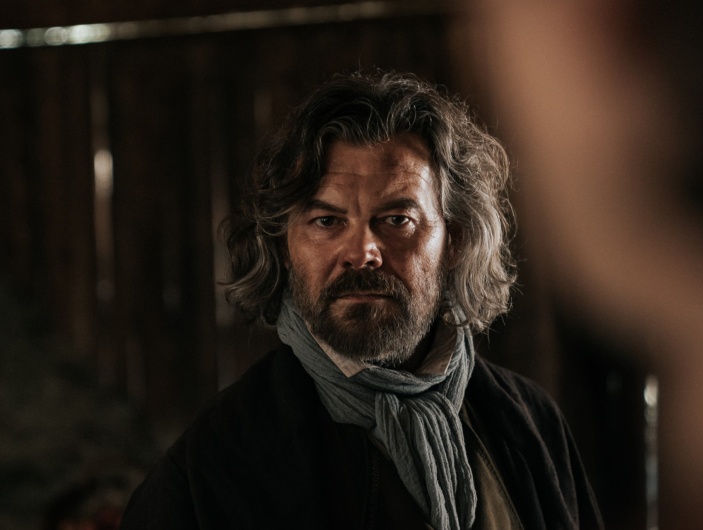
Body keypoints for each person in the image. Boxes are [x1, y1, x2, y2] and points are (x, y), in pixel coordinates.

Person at [120, 71, 602, 530]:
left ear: (453, 241)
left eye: (397, 220)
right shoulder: (210, 468)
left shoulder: (530, 425)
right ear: (285, 247)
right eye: (327, 222)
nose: (362, 252)